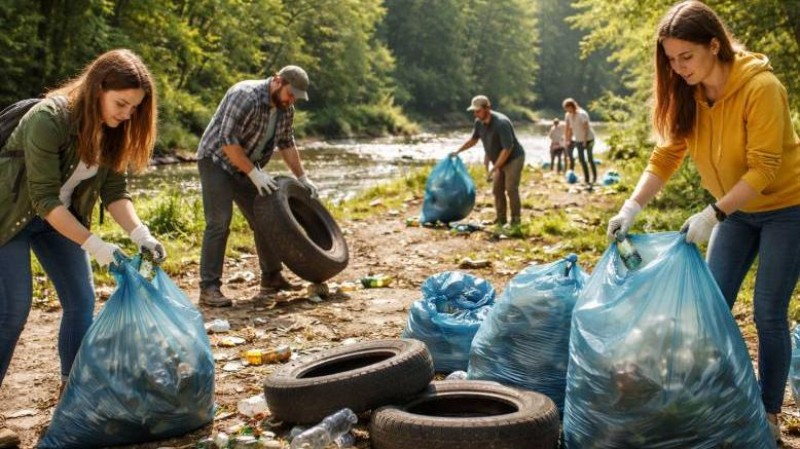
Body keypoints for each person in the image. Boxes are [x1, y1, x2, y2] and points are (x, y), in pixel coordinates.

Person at [606, 1, 800, 442]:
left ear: (715, 44)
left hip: (788, 209)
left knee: (769, 312)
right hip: (735, 211)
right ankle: (715, 401)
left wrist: (714, 213)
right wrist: (631, 207)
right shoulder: (689, 94)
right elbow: (666, 155)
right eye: (671, 60)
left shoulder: (761, 88)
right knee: (709, 309)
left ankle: (768, 416)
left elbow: (765, 168)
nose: (678, 68)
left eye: (686, 57)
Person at [0, 49, 166, 445]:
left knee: (81, 300)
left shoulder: (114, 128)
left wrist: (141, 234)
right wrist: (94, 244)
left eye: (134, 107)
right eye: (121, 103)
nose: (127, 114)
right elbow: (43, 199)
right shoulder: (47, 119)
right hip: (9, 218)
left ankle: (72, 401)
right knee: (13, 309)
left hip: (58, 220)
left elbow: (114, 191)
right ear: (97, 89)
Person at [196, 65, 318, 307]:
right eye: (290, 93)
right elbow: (227, 141)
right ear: (277, 81)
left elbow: (286, 143)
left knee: (267, 216)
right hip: (216, 161)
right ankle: (209, 288)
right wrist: (254, 174)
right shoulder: (244, 95)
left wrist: (303, 177)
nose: (292, 100)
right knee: (219, 221)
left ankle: (271, 277)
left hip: (248, 165)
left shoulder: (285, 108)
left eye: (296, 97)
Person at [451, 95, 526, 226]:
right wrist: (457, 151)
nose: (475, 114)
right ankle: (501, 219)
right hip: (499, 159)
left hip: (514, 158)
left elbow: (508, 148)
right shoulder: (479, 122)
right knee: (497, 190)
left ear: (487, 108)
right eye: (474, 111)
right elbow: (473, 140)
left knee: (510, 188)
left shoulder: (501, 123)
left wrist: (495, 167)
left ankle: (515, 220)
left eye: (478, 111)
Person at [563, 98, 597, 185]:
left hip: (589, 139)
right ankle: (587, 179)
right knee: (581, 159)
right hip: (578, 139)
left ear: (572, 106)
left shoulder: (582, 114)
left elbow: (586, 128)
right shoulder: (569, 115)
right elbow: (570, 129)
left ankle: (594, 177)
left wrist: (585, 141)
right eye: (565, 109)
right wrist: (568, 140)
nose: (566, 110)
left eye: (567, 108)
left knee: (590, 158)